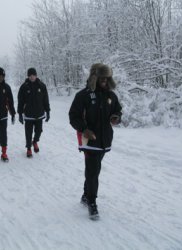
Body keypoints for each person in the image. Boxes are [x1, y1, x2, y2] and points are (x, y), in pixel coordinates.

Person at [68, 63, 122, 220]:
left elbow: (118, 110)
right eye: (102, 78)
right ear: (94, 77)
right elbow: (73, 116)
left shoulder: (111, 96)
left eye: (107, 78)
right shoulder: (83, 95)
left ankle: (86, 195)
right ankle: (92, 202)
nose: (105, 81)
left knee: (94, 170)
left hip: (104, 140)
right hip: (89, 140)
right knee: (93, 172)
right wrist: (84, 129)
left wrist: (116, 117)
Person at [17, 68, 50, 158]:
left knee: (39, 131)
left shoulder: (42, 86)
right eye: (30, 75)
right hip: (28, 115)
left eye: (33, 75)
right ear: (28, 76)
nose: (32, 77)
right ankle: (28, 148)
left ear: (36, 75)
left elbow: (45, 100)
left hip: (39, 114)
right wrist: (20, 114)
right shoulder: (24, 86)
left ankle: (35, 141)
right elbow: (20, 101)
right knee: (28, 133)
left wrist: (48, 111)